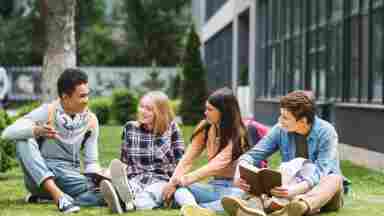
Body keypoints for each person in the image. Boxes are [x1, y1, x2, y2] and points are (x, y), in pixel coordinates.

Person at [222, 90, 346, 216]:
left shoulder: (327, 132)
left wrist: (294, 190)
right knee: (266, 176)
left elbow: (320, 172)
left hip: (322, 192)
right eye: (280, 115)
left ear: (302, 121)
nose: (280, 120)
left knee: (334, 179)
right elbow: (252, 155)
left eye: (285, 117)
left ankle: (299, 206)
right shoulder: (280, 129)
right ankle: (264, 208)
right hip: (289, 187)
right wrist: (238, 175)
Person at [1, 68, 105, 213]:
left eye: (87, 95)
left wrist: (98, 177)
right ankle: (56, 195)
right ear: (65, 97)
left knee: (104, 190)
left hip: (69, 179)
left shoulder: (91, 121)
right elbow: (7, 133)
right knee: (23, 139)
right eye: (81, 96)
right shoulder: (47, 111)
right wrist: (35, 131)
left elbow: (91, 162)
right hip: (39, 179)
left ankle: (59, 197)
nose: (86, 100)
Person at [162, 87, 251, 216]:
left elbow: (214, 167)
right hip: (213, 186)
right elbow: (187, 159)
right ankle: (193, 208)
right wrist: (173, 182)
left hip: (234, 188)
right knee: (179, 188)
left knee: (237, 200)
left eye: (210, 109)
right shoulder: (206, 127)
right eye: (206, 108)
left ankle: (195, 208)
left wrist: (182, 180)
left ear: (224, 112)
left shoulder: (238, 135)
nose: (205, 113)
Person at [100, 91, 188, 214]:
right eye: (141, 106)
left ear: (160, 112)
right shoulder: (130, 128)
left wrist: (174, 184)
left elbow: (181, 161)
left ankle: (126, 204)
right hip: (136, 178)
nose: (143, 111)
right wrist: (111, 172)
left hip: (161, 180)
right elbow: (125, 161)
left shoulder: (172, 128)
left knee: (145, 196)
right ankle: (125, 198)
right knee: (128, 189)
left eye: (149, 109)